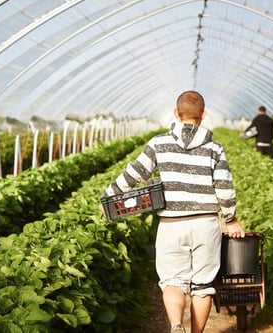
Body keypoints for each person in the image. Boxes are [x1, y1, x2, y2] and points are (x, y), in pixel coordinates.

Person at [101, 90, 245, 333]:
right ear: (203, 115)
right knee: (203, 285)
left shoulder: (159, 143)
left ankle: (177, 326)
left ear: (176, 113)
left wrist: (110, 195)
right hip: (206, 224)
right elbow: (224, 186)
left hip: (171, 224)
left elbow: (135, 173)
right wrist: (231, 220)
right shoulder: (215, 148)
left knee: (172, 281)